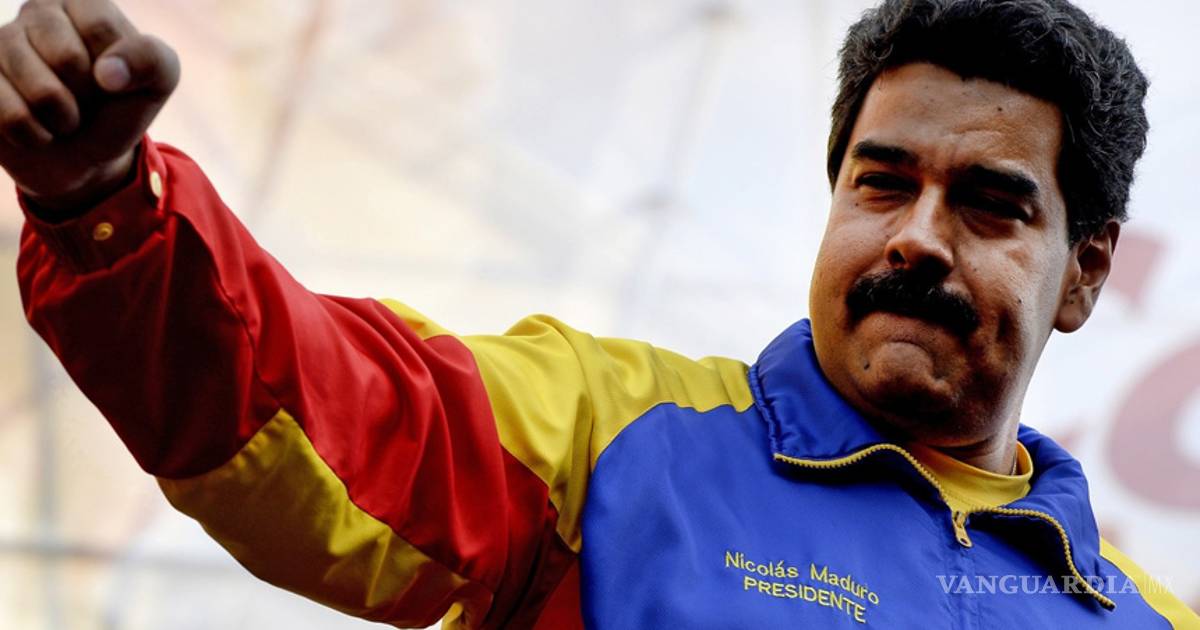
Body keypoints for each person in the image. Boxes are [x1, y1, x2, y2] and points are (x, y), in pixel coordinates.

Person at [5, 0, 1198, 627]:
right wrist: (103, 202)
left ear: (1085, 271)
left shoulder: (1147, 621)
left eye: (989, 204)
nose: (917, 237)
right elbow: (325, 404)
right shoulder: (606, 436)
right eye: (881, 182)